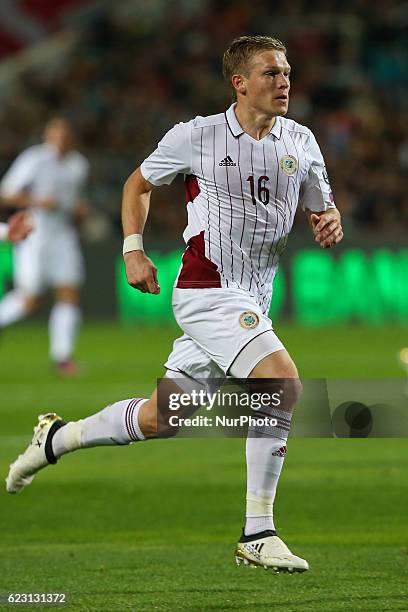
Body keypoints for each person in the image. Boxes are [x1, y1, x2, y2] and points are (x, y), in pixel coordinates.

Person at [6, 36, 343, 572]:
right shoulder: (197, 136)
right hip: (207, 290)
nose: (284, 82)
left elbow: (321, 204)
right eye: (271, 74)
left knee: (166, 416)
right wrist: (132, 251)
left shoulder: (301, 140)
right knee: (282, 383)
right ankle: (258, 531)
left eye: (286, 72)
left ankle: (56, 438)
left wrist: (329, 220)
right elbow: (137, 185)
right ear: (240, 83)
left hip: (254, 296)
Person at [0, 118, 90, 375]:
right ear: (47, 136)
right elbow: (6, 193)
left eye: (65, 133)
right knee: (30, 300)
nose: (61, 138)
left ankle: (62, 358)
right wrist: (38, 200)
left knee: (70, 292)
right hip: (34, 233)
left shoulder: (78, 164)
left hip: (64, 234)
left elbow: (74, 201)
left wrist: (79, 210)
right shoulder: (35, 159)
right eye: (56, 134)